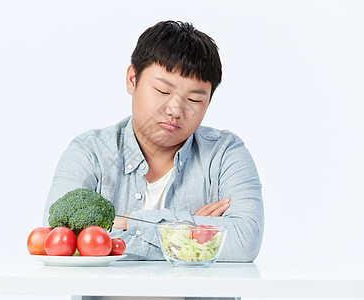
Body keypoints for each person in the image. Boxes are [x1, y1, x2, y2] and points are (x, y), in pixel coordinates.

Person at [43, 20, 263, 300]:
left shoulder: (225, 154)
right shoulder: (90, 153)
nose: (175, 110)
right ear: (132, 79)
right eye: (162, 91)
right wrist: (193, 232)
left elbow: (245, 242)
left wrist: (127, 223)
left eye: (194, 100)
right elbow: (58, 242)